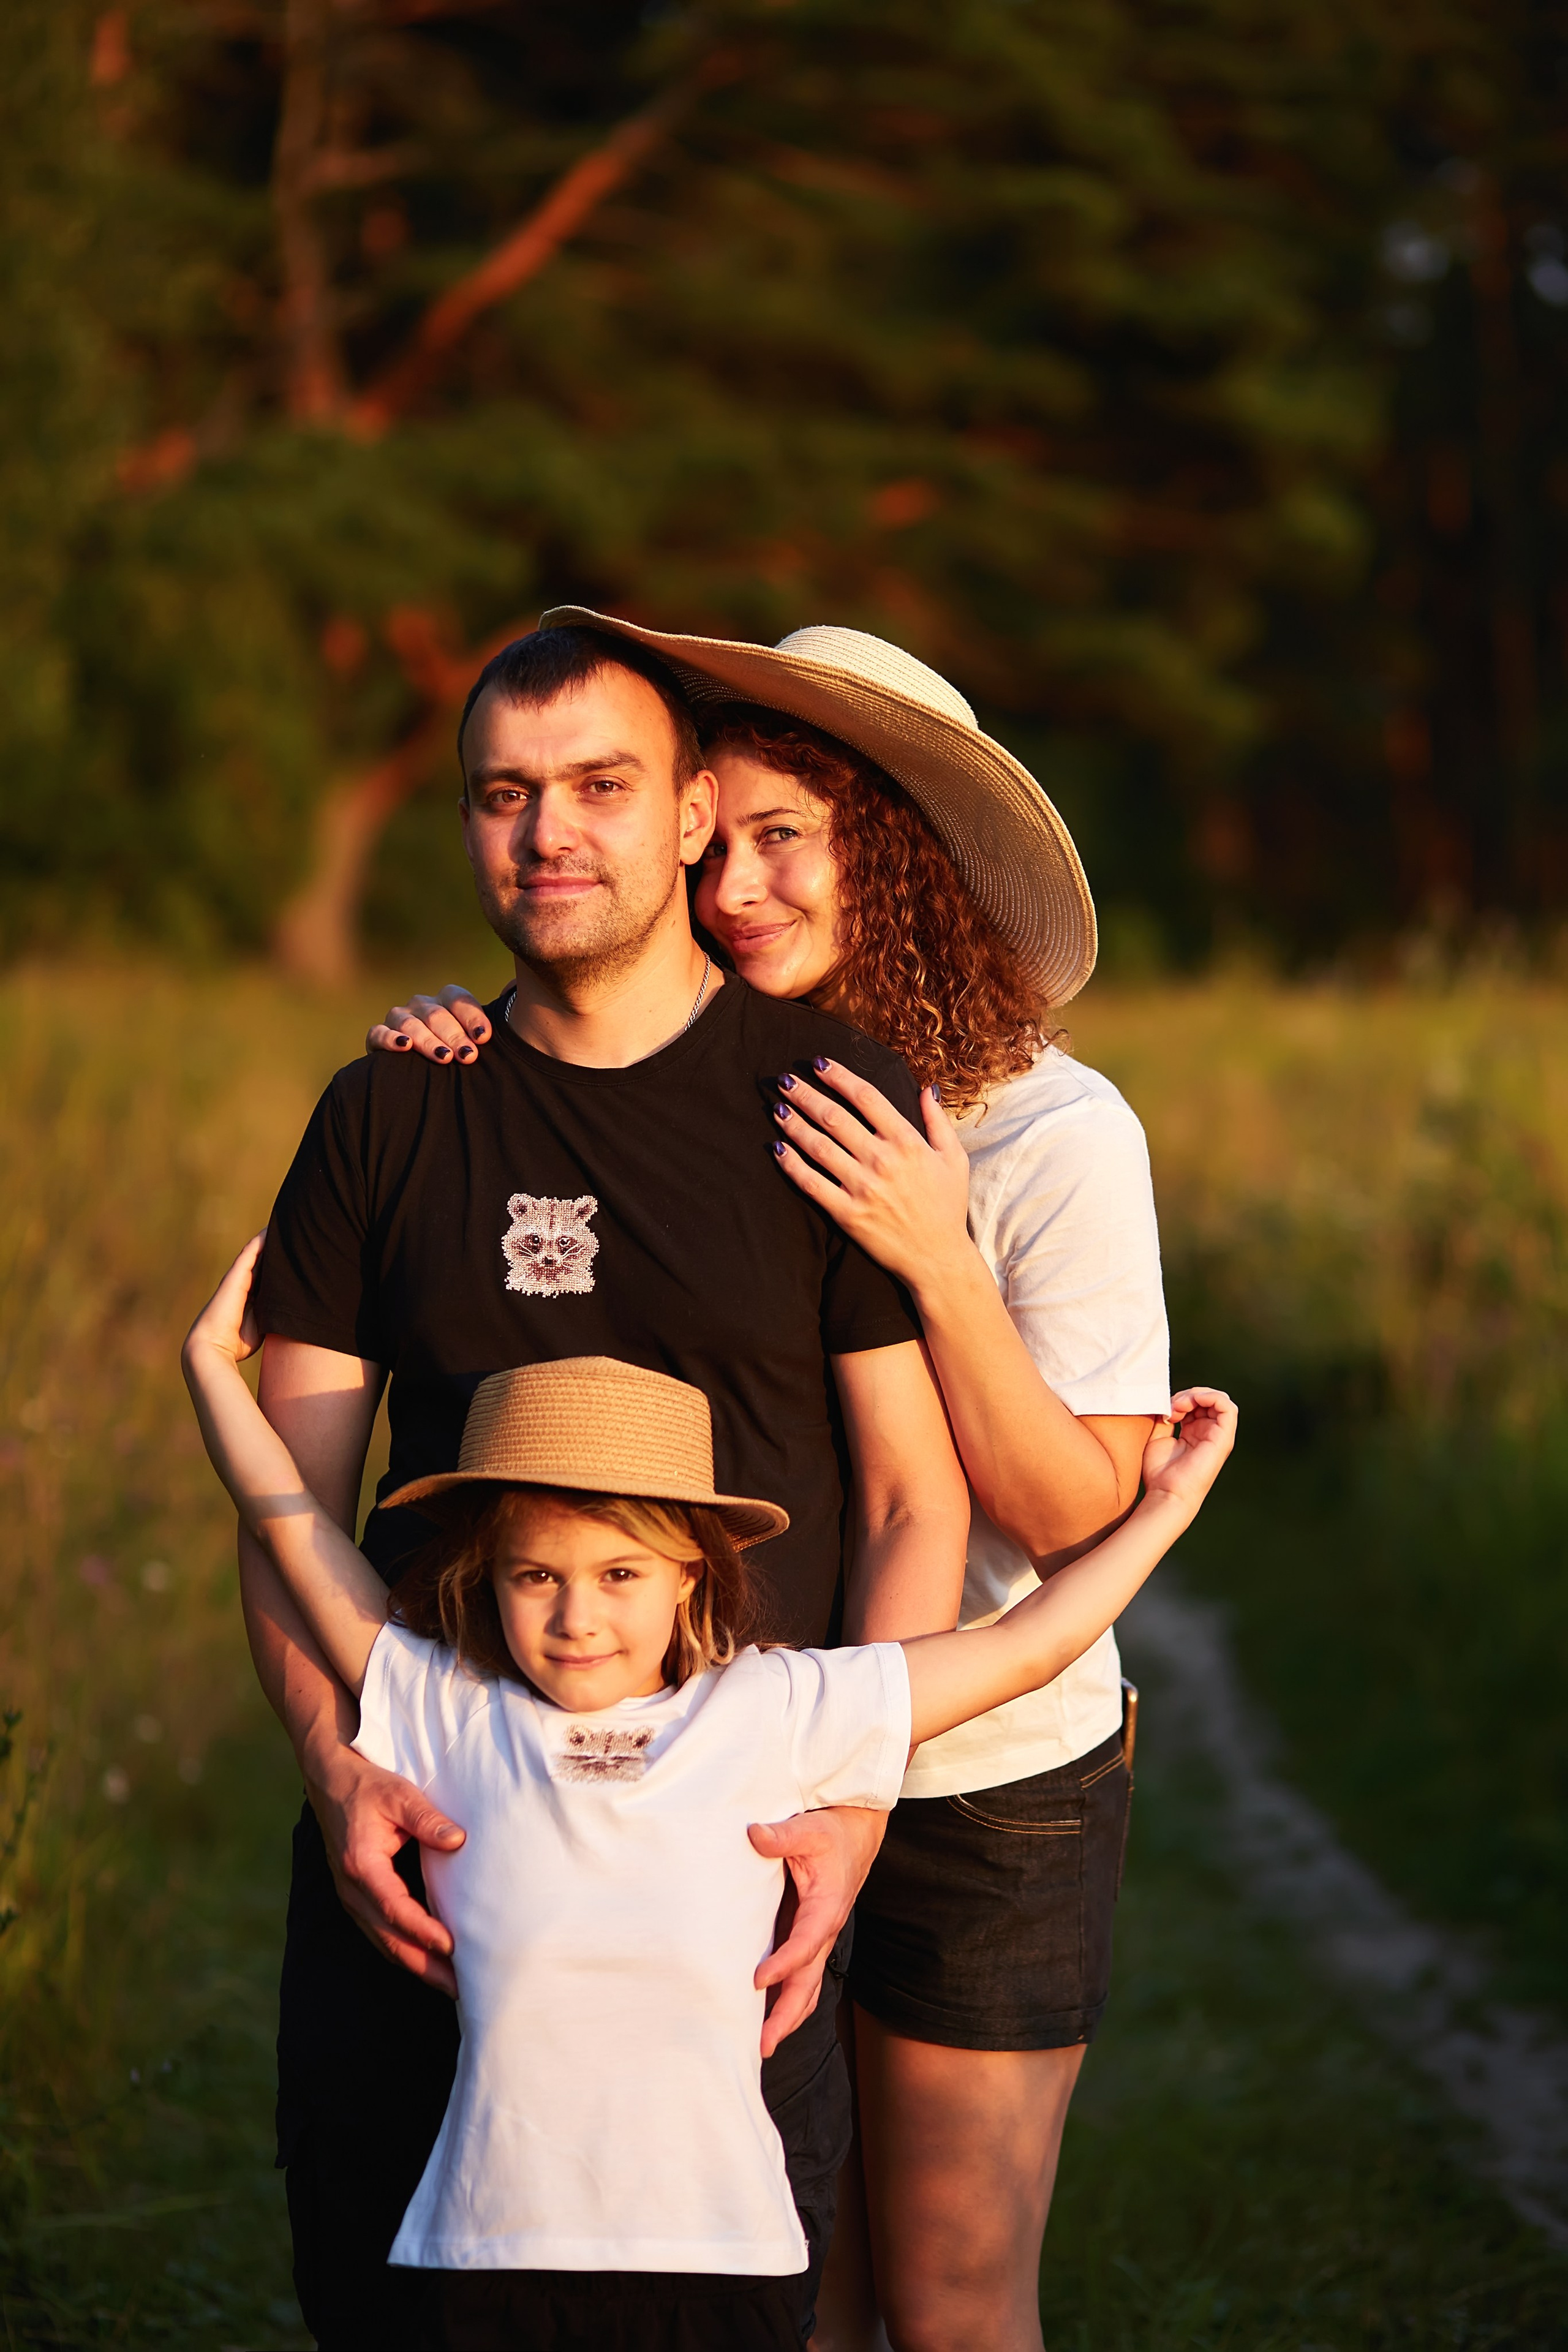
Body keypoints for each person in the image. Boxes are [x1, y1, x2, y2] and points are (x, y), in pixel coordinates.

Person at [374, 613, 1170, 2352]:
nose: (734, 886)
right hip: (729, 1755)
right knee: (781, 2280)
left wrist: (939, 1262)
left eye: (784, 837)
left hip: (982, 1775)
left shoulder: (1052, 1131)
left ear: (890, 847)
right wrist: (464, 1050)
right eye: (711, 837)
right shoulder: (723, 1093)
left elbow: (1081, 1519)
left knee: (954, 2300)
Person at [243, 622, 973, 2349]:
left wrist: (848, 1822)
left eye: (599, 788)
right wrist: (339, 1773)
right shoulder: (386, 1115)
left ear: (696, 817)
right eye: (505, 795)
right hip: (429, 1862)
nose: (549, 832)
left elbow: (908, 1504)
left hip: (722, 1891)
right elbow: (288, 1517)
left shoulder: (829, 1098)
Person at [184, 1238, 1234, 2352]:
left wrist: (1166, 1505)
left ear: (693, 1566)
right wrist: (210, 1367)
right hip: (489, 2248)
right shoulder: (451, 1708)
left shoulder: (773, 1710)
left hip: (723, 2256)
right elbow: (295, 1528)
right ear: (486, 1579)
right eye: (536, 1576)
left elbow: (1026, 1645)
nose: (576, 1618)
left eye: (619, 1574)